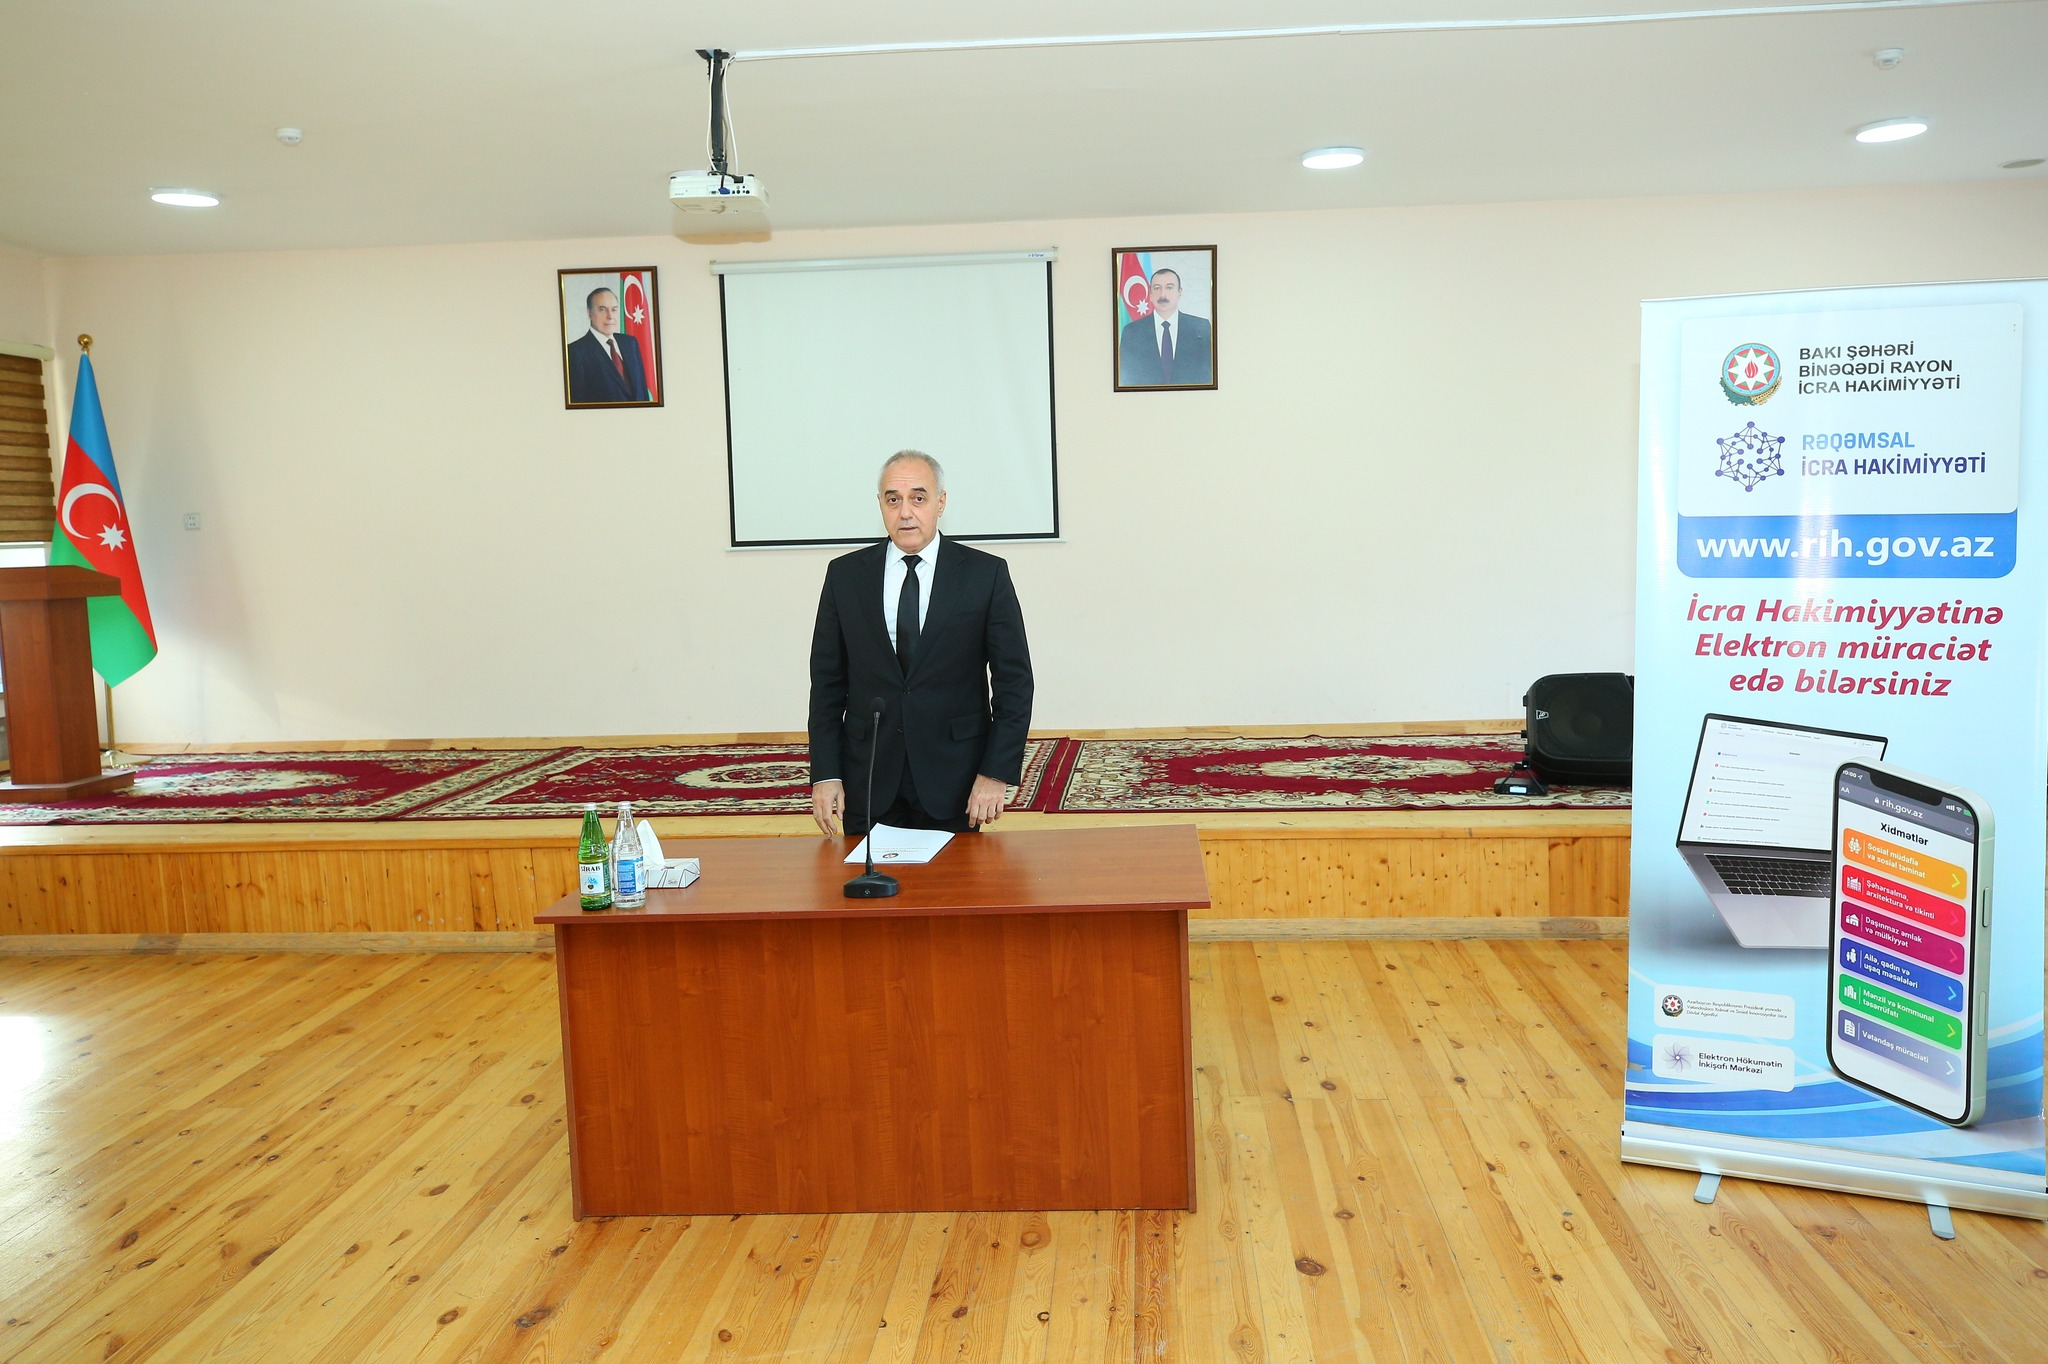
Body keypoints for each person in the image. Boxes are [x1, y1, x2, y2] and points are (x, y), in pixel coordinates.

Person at [809, 451, 1034, 836]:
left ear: (940, 503)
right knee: (865, 875)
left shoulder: (985, 574)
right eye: (893, 499)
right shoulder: (845, 576)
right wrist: (826, 774)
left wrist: (995, 773)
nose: (905, 512)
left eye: (918, 498)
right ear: (880, 504)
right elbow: (827, 684)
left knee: (957, 877)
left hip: (955, 779)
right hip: (869, 777)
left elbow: (1014, 683)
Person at [1118, 267, 1213, 386]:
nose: (1163, 295)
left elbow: (1209, 375)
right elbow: (1126, 377)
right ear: (1150, 294)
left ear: (1180, 292)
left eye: (1169, 287)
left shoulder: (1201, 327)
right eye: (1157, 288)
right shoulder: (1132, 332)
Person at [565, 286, 650, 403]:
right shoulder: (575, 352)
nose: (610, 316)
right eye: (602, 309)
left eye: (614, 309)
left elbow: (642, 390)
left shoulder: (630, 343)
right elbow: (578, 403)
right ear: (589, 313)